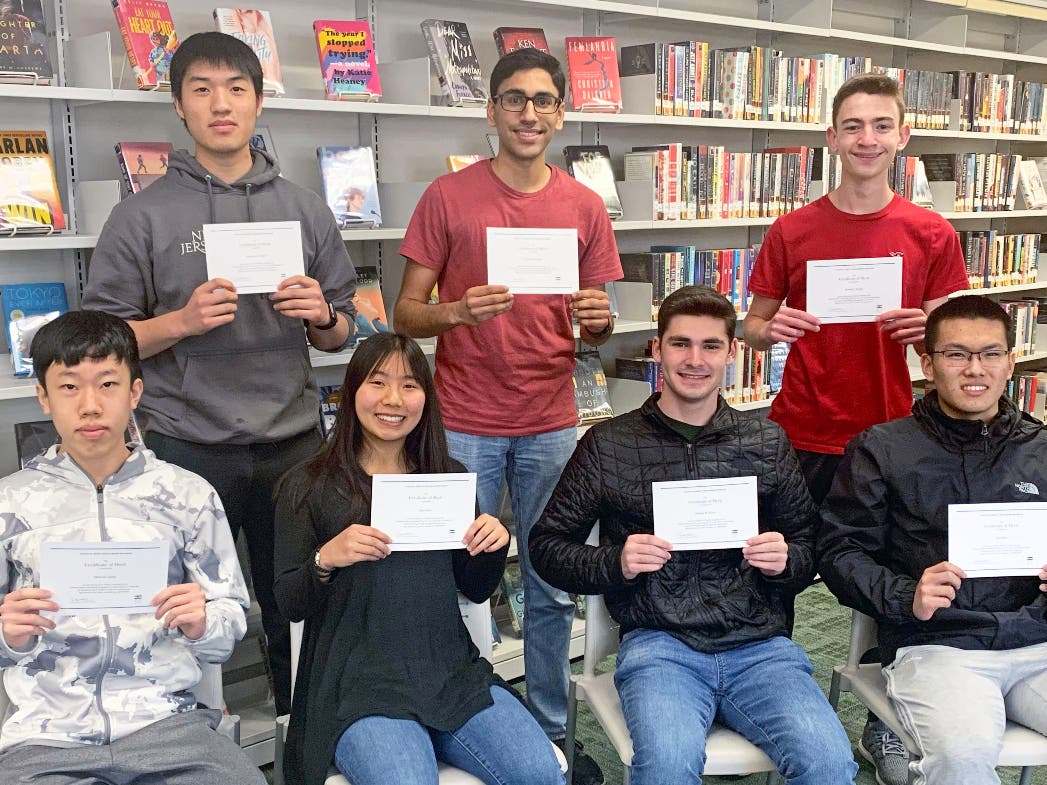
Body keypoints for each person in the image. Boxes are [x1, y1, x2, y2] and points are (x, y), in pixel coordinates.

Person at [81, 31, 357, 717]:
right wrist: (180, 321)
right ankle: (189, 736)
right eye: (201, 90)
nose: (221, 104)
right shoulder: (140, 215)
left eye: (236, 89)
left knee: (298, 602)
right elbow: (101, 344)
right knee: (179, 606)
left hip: (293, 441)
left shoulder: (304, 207)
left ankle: (302, 727)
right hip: (187, 444)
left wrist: (322, 313)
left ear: (259, 101)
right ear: (179, 105)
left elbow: (342, 331)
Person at [394, 46, 622, 785]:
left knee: (550, 580)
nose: (529, 113)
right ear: (491, 110)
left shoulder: (583, 206)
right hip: (463, 420)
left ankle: (549, 732)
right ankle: (462, 714)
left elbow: (596, 328)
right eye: (514, 99)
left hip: (551, 419)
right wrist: (457, 311)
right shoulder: (448, 196)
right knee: (454, 576)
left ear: (561, 113)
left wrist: (597, 322)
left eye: (543, 100)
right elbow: (404, 314)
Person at [530, 285, 857, 785]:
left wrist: (787, 559)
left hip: (760, 645)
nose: (695, 360)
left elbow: (811, 545)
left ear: (732, 352)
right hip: (660, 645)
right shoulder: (608, 444)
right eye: (680, 344)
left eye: (710, 346)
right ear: (657, 349)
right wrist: (615, 562)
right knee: (666, 766)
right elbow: (547, 547)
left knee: (830, 763)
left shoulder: (766, 440)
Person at [743, 72, 969, 782]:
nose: (866, 138)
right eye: (852, 125)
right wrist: (769, 328)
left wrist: (927, 330)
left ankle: (886, 719)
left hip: (891, 438)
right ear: (831, 138)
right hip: (800, 432)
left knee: (893, 584)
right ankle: (766, 700)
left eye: (880, 125)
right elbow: (751, 325)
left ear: (902, 136)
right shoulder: (792, 230)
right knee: (773, 573)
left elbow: (958, 343)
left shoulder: (930, 232)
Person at [273, 333, 564, 785]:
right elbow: (289, 603)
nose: (393, 399)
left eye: (409, 385)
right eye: (377, 382)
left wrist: (492, 545)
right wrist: (325, 559)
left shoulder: (446, 478)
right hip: (357, 685)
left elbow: (475, 588)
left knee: (540, 774)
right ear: (352, 391)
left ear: (426, 398)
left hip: (448, 672)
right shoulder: (307, 485)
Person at [0, 310, 261, 785]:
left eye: (107, 384)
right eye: (68, 387)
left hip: (169, 726)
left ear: (134, 393)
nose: (90, 406)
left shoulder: (188, 495)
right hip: (47, 739)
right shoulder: (9, 503)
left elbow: (229, 621)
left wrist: (203, 622)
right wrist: (8, 634)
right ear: (43, 397)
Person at [818, 294, 1047, 785]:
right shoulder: (882, 449)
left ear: (1011, 362)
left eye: (990, 354)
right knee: (961, 759)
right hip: (938, 645)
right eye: (956, 354)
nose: (975, 369)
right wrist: (908, 596)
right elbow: (840, 552)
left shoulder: (1041, 447)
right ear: (927, 364)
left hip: (1037, 639)